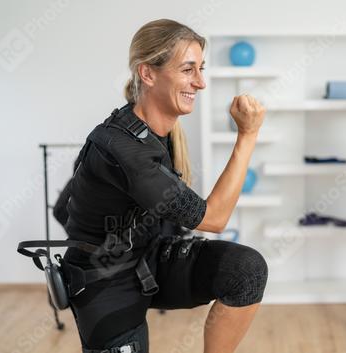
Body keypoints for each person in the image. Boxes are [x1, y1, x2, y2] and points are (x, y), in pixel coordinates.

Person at [55, 19, 267, 353]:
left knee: (246, 270)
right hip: (104, 279)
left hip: (148, 260)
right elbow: (214, 218)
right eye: (187, 70)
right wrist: (248, 135)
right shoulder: (124, 148)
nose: (200, 82)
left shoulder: (152, 133)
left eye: (201, 69)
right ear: (148, 73)